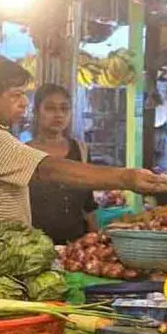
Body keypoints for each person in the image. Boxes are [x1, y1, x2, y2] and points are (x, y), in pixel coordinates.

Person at [0, 55, 167, 241]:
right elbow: (48, 169)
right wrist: (127, 178)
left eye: (24, 95)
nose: (23, 102)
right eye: (16, 95)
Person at [28, 84, 99, 245]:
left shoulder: (81, 150)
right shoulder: (24, 152)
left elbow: (88, 202)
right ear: (36, 112)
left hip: (77, 244)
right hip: (35, 245)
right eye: (50, 108)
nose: (58, 115)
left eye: (64, 109)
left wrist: (96, 238)